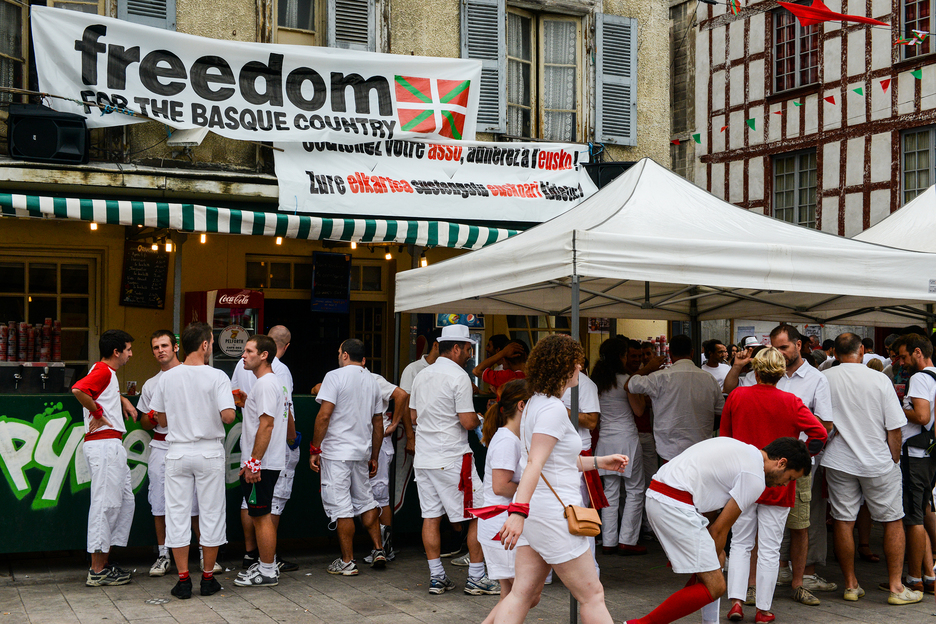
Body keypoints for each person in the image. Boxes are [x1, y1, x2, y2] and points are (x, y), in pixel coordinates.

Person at [490, 334, 629, 624]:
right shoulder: (552, 408)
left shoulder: (535, 404)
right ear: (564, 367)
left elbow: (553, 461)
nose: (580, 366)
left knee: (521, 595)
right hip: (552, 514)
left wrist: (600, 462)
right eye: (576, 362)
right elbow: (536, 462)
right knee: (592, 596)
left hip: (536, 513)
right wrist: (518, 512)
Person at [624, 437, 811, 624]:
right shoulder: (755, 478)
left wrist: (706, 566)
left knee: (718, 560)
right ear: (782, 463)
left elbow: (710, 509)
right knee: (716, 585)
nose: (786, 485)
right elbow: (719, 531)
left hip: (662, 496)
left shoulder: (743, 449)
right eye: (790, 478)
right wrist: (706, 572)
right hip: (672, 504)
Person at [725, 324, 835, 605]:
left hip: (744, 477)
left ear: (757, 370)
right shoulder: (791, 401)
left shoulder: (738, 396)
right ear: (777, 371)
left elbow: (724, 440)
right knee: (771, 549)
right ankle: (763, 608)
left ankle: (736, 600)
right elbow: (821, 432)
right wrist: (799, 460)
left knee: (740, 542)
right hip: (780, 478)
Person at [821, 333, 921, 605]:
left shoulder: (825, 379)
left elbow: (821, 423)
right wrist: (894, 459)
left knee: (843, 520)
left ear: (835, 353)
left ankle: (851, 584)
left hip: (839, 459)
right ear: (862, 350)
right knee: (892, 520)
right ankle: (896, 587)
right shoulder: (879, 379)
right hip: (878, 459)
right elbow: (895, 428)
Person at [409, 324, 498, 595]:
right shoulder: (458, 376)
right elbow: (468, 421)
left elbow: (413, 417)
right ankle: (476, 577)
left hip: (424, 458)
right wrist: (483, 418)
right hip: (453, 457)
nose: (470, 354)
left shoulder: (422, 375)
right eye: (469, 349)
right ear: (456, 348)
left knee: (431, 516)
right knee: (480, 513)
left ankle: (437, 577)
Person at [150, 322, 236, 599]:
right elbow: (228, 416)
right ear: (205, 344)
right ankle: (208, 578)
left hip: (176, 451)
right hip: (209, 451)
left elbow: (160, 419)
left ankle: (184, 579)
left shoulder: (167, 378)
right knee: (210, 514)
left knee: (177, 514)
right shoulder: (217, 376)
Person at [137, 330, 213, 577]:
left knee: (195, 504)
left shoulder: (196, 374)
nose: (160, 350)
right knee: (159, 503)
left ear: (176, 347)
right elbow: (145, 423)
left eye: (164, 345)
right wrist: (153, 416)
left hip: (191, 445)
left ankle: (204, 554)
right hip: (161, 446)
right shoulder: (151, 384)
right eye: (155, 347)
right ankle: (163, 554)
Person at [309, 339, 387, 574]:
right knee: (366, 500)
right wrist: (374, 455)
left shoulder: (334, 376)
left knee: (342, 507)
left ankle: (347, 561)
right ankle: (378, 549)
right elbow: (378, 423)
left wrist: (315, 448)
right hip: (361, 452)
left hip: (337, 453)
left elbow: (324, 416)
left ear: (344, 355)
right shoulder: (372, 381)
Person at [71, 329, 137, 587]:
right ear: (116, 351)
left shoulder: (106, 373)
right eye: (128, 349)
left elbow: (94, 388)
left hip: (109, 445)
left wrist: (120, 400)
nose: (131, 354)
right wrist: (98, 411)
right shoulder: (103, 371)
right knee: (106, 504)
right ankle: (97, 570)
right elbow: (79, 389)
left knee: (122, 501)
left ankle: (104, 564)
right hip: (104, 444)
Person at [231, 325, 300, 572]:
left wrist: (254, 462)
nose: (243, 355)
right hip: (266, 461)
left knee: (261, 518)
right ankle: (264, 565)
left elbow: (267, 425)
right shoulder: (270, 383)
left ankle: (267, 569)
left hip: (263, 463)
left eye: (249, 351)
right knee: (261, 516)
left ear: (264, 355)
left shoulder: (266, 383)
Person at [475, 379, 533, 624]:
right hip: (501, 526)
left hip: (499, 526)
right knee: (522, 595)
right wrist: (532, 488)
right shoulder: (508, 440)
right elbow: (501, 486)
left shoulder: (508, 437)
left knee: (511, 595)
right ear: (522, 406)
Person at [625, 334, 724, 463]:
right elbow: (721, 411)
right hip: (700, 450)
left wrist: (648, 368)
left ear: (670, 354)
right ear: (692, 353)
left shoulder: (659, 377)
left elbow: (629, 385)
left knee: (671, 482)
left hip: (669, 450)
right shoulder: (709, 379)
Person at [591, 338, 646, 556]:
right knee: (634, 489)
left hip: (605, 439)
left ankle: (609, 540)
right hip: (627, 438)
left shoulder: (597, 382)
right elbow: (639, 411)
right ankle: (628, 540)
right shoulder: (627, 381)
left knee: (610, 492)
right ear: (621, 356)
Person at [891, 334, 936, 594]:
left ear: (918, 352)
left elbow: (921, 415)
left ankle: (913, 577)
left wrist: (896, 407)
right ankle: (928, 575)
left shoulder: (920, 378)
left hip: (916, 455)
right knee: (924, 509)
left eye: (904, 356)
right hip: (930, 454)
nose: (901, 361)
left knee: (914, 518)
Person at [399, 328, 442, 395]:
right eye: (447, 347)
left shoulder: (449, 370)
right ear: (436, 345)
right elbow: (405, 399)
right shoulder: (413, 369)